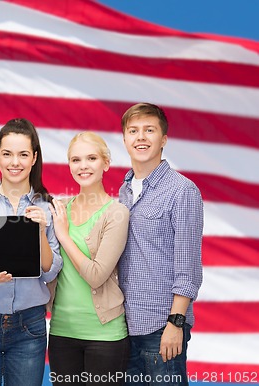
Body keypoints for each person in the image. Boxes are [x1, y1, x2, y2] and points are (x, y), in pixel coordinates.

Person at [0, 118, 63, 386]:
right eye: (7, 154)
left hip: (30, 326)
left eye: (23, 154)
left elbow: (51, 272)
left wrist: (40, 231)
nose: (14, 162)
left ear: (34, 158)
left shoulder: (47, 207)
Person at [118, 103, 204, 386]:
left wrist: (175, 324)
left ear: (163, 139)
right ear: (125, 139)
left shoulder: (182, 191)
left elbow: (188, 266)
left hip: (161, 327)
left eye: (149, 130)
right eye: (133, 131)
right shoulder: (125, 189)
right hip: (125, 325)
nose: (140, 137)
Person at [47, 132, 130, 386]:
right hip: (62, 332)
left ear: (105, 163)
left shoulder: (116, 213)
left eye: (91, 158)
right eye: (76, 159)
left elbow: (96, 275)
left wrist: (63, 235)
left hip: (104, 336)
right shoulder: (59, 209)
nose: (83, 165)